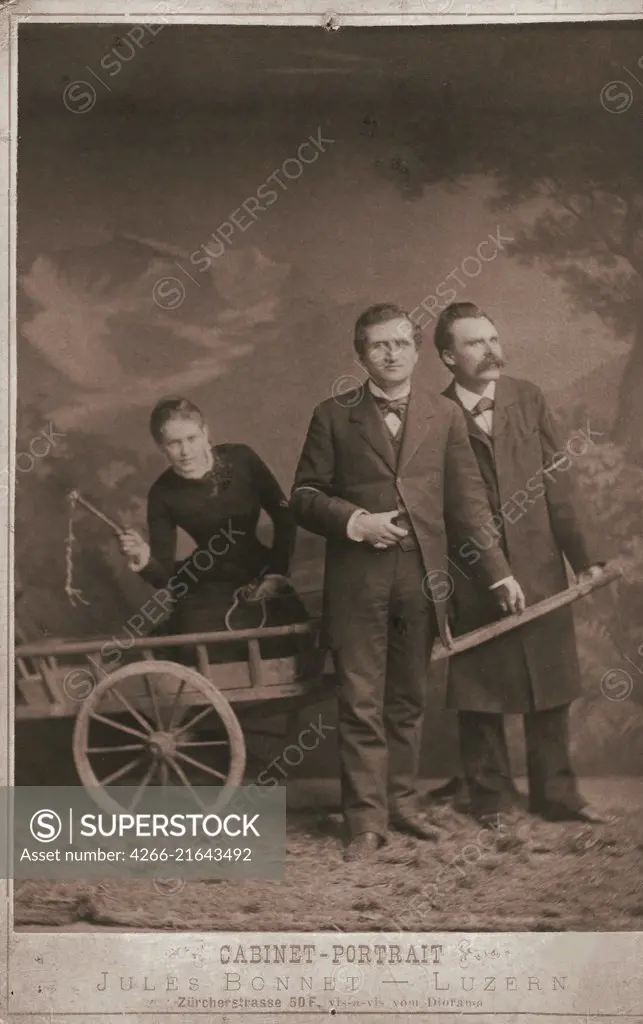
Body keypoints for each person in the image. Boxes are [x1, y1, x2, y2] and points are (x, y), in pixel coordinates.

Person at [290, 303, 524, 861]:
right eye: (379, 345)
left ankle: (401, 805)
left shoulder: (444, 417)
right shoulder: (332, 415)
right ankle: (365, 823)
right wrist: (356, 522)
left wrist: (500, 574)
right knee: (361, 699)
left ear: (419, 352)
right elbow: (302, 497)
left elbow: (468, 502)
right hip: (357, 582)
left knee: (408, 699)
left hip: (423, 580)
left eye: (401, 343)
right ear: (361, 355)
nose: (391, 354)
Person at [433, 301, 610, 825]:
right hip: (471, 570)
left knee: (549, 678)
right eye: (473, 342)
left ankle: (557, 794)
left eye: (493, 338)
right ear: (448, 356)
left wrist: (586, 558)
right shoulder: (434, 414)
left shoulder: (527, 398)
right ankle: (490, 799)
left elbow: (558, 481)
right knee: (480, 686)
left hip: (537, 562)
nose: (490, 350)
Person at [118, 396, 307, 661]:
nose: (185, 452)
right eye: (174, 443)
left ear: (206, 432)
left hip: (259, 574)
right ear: (161, 447)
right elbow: (164, 576)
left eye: (192, 438)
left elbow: (284, 516)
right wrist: (143, 557)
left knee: (289, 639)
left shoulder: (241, 459)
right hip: (205, 587)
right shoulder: (162, 493)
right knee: (197, 648)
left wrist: (276, 573)